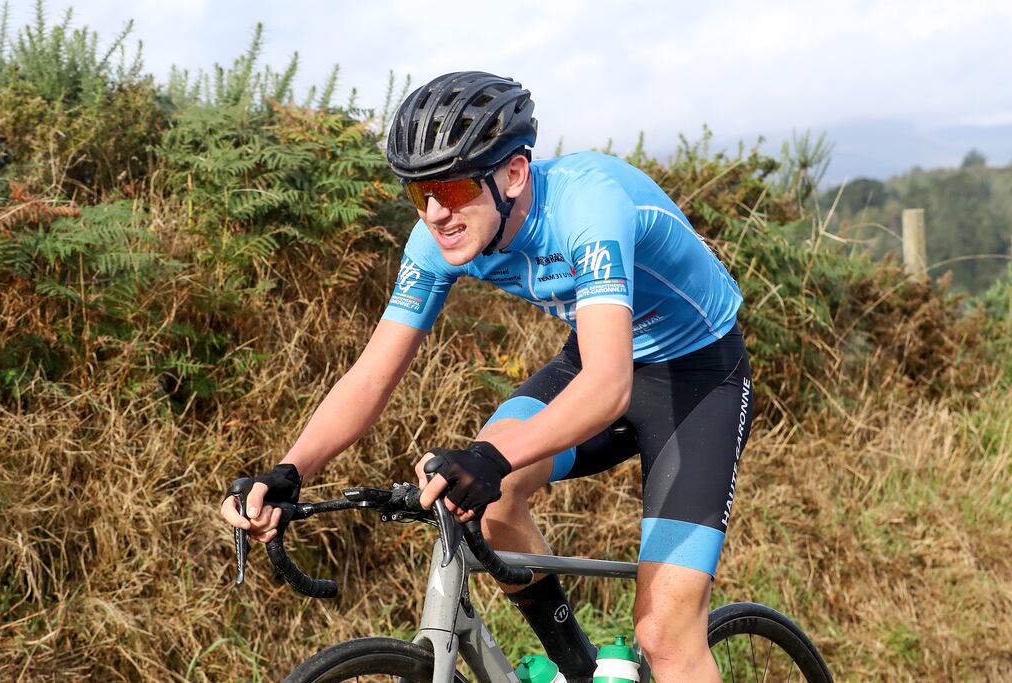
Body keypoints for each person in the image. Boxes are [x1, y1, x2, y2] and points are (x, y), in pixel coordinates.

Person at [220, 71, 753, 683]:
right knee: (486, 506)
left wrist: (490, 457)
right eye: (419, 194)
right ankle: (578, 670)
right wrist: (291, 470)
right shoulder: (435, 239)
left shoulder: (589, 204)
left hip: (698, 379)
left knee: (665, 636)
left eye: (451, 186)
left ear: (514, 176)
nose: (437, 214)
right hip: (596, 355)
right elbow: (372, 374)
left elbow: (609, 388)